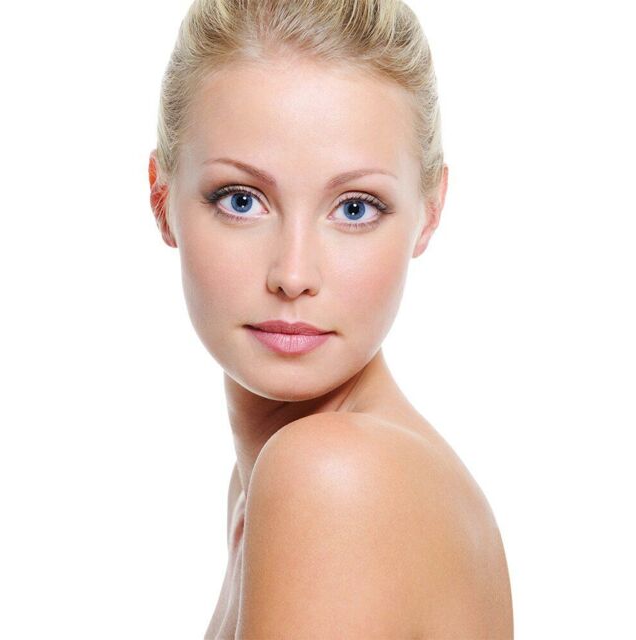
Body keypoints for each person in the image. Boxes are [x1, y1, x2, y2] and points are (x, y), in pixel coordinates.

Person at [148, 0, 513, 637]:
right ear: (162, 199)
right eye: (242, 200)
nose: (293, 275)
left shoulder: (330, 474)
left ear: (429, 212)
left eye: (355, 208)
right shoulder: (263, 480)